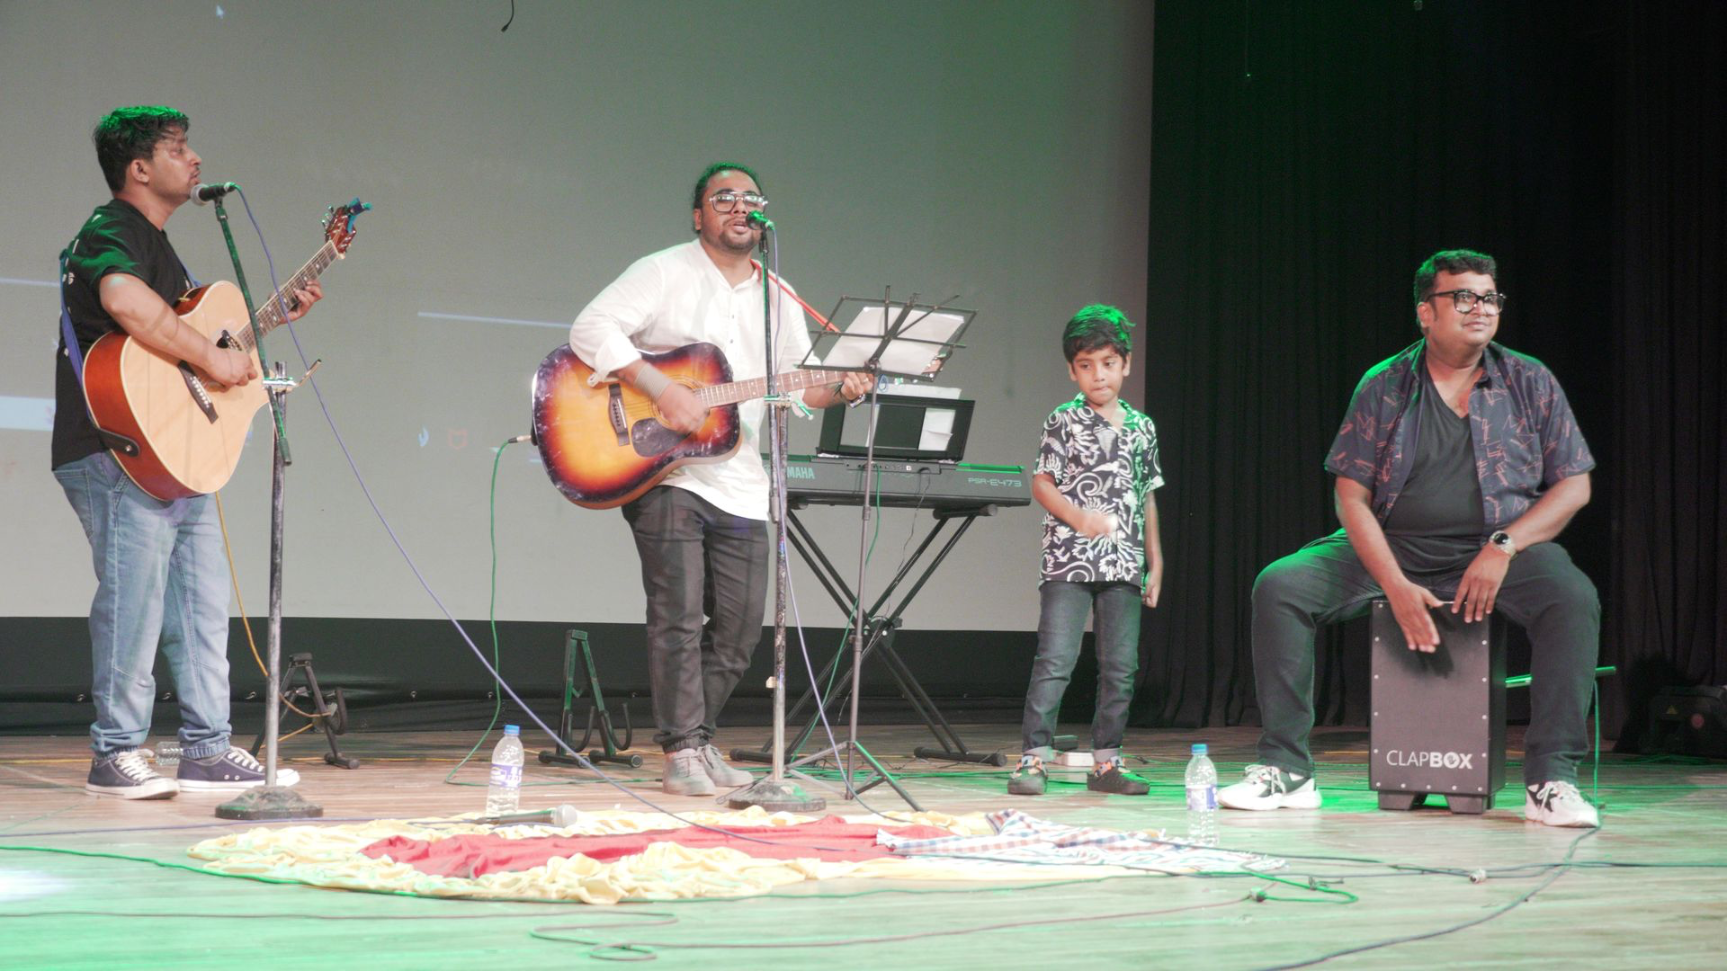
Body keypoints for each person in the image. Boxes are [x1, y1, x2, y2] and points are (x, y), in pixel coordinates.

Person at [1221, 249, 1601, 827]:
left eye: (1490, 298)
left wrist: (1503, 546)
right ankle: (1287, 769)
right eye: (1463, 297)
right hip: (1396, 544)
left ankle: (1551, 778)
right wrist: (1394, 585)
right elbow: (1351, 497)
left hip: (1493, 548)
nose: (1481, 308)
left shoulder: (1529, 379)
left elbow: (1574, 486)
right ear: (1427, 312)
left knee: (1572, 598)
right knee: (1280, 586)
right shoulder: (1386, 385)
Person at [568, 162, 871, 796]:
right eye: (723, 197)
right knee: (677, 617)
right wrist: (661, 388)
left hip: (741, 479)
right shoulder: (663, 271)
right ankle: (682, 751)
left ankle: (698, 740)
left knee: (739, 632)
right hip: (668, 471)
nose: (739, 207)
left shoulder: (778, 294)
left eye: (751, 198)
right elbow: (590, 329)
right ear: (698, 214)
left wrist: (843, 388)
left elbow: (800, 385)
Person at [55, 106, 322, 798]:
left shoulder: (162, 248)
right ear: (139, 168)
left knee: (201, 605)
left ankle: (206, 748)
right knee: (135, 602)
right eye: (177, 148)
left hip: (171, 455)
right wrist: (210, 353)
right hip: (117, 448)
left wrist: (269, 319)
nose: (195, 158)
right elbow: (126, 303)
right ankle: (115, 752)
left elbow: (186, 354)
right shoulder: (111, 230)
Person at [1007, 305, 1164, 797]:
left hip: (1124, 563)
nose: (1099, 375)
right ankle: (1034, 758)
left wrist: (1156, 562)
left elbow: (1147, 495)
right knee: (1056, 659)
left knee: (1120, 667)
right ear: (1072, 370)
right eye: (1086, 365)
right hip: (1068, 560)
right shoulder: (1063, 420)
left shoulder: (1142, 427)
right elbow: (1042, 483)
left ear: (1126, 364)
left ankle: (1106, 763)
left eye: (1108, 363)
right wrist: (1081, 520)